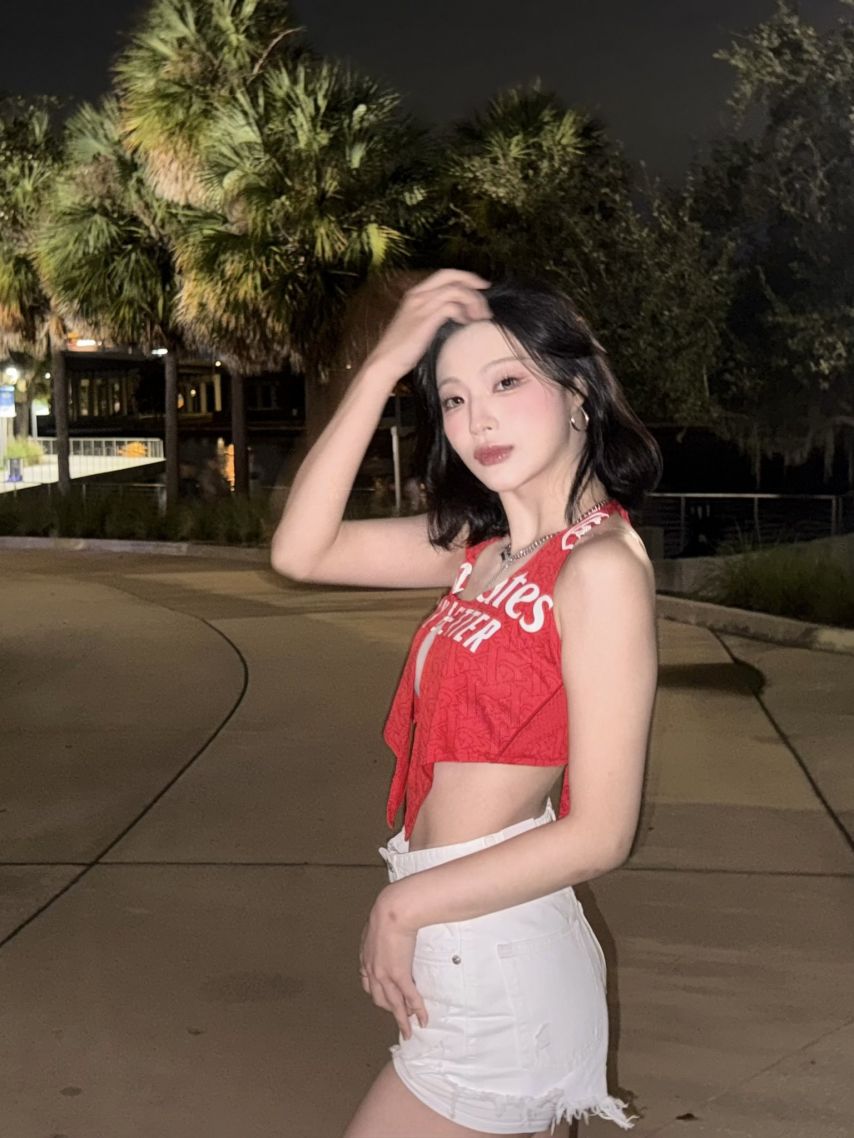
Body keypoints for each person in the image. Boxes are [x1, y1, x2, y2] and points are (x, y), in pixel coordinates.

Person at [271, 269, 661, 1138]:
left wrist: (403, 906)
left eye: (507, 382)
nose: (478, 418)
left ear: (579, 394)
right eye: (453, 397)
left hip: (497, 966)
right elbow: (301, 552)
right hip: (463, 945)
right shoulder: (482, 552)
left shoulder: (597, 568)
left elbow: (603, 832)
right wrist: (382, 368)